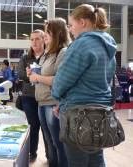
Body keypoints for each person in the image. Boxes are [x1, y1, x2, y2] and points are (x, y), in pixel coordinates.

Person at [51, 4, 117, 167]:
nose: (70, 30)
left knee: (77, 162)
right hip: (100, 112)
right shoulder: (108, 45)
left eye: (71, 25)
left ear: (82, 22)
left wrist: (58, 98)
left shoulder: (82, 44)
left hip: (78, 114)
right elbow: (108, 81)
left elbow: (62, 80)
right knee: (96, 159)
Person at [28, 18, 70, 167]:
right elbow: (41, 76)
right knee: (49, 141)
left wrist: (37, 76)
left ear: (57, 33)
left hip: (53, 103)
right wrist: (33, 74)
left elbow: (59, 80)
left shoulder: (63, 52)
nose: (45, 35)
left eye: (48, 32)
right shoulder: (47, 54)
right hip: (42, 102)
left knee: (58, 143)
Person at [18, 29, 49, 162]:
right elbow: (20, 75)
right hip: (29, 97)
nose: (34, 42)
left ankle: (50, 155)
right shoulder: (25, 58)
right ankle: (32, 153)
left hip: (46, 96)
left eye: (37, 39)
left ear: (44, 40)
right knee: (33, 125)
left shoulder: (49, 56)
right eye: (32, 39)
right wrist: (30, 75)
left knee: (47, 127)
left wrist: (38, 76)